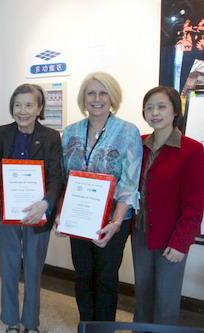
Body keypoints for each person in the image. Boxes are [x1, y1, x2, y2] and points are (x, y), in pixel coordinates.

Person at [59, 72, 142, 321]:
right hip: (79, 216)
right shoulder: (70, 132)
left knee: (106, 277)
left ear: (112, 97)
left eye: (103, 92)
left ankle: (104, 328)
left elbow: (129, 183)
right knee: (83, 274)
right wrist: (63, 214)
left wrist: (115, 224)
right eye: (91, 93)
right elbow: (65, 179)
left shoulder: (128, 131)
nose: (97, 99)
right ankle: (86, 326)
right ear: (83, 98)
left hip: (114, 219)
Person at [0, 84, 63, 333]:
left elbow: (57, 177)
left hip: (38, 212)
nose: (22, 111)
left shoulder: (51, 137)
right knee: (9, 267)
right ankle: (12, 320)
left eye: (29, 105)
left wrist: (46, 203)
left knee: (33, 270)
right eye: (18, 105)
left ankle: (31, 322)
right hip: (5, 213)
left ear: (39, 108)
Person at [132, 86, 203, 325]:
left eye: (161, 106)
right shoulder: (138, 143)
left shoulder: (192, 150)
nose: (154, 113)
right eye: (149, 107)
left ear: (175, 111)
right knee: (142, 294)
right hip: (140, 233)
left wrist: (181, 242)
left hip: (171, 237)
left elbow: (195, 204)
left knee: (166, 298)